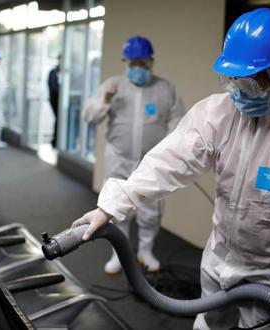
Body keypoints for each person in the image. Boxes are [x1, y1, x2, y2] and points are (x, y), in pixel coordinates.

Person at [72, 8, 270, 329]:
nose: (237, 90)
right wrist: (113, 204)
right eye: (231, 79)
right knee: (209, 324)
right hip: (219, 258)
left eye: (248, 81)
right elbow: (168, 161)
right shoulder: (216, 112)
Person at [82, 36, 185, 274]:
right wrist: (105, 100)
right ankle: (119, 254)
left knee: (151, 209)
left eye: (143, 63)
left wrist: (171, 148)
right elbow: (90, 116)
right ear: (125, 63)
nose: (138, 68)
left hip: (151, 162)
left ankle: (145, 251)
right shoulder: (113, 85)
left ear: (151, 62)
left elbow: (178, 120)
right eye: (133, 63)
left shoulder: (165, 88)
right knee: (116, 207)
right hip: (119, 157)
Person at [47, 56, 60, 148]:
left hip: (58, 101)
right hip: (55, 100)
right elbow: (54, 87)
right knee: (58, 120)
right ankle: (55, 141)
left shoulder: (63, 71)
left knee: (59, 120)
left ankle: (57, 141)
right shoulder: (54, 72)